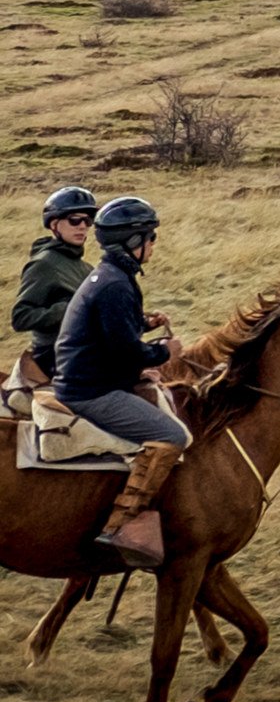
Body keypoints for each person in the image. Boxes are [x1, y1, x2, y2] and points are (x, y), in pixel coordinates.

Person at [51, 196, 185, 572]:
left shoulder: (110, 276)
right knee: (172, 436)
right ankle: (121, 524)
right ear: (133, 241)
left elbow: (112, 331)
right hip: (91, 392)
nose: (154, 244)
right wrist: (163, 352)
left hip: (90, 378)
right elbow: (124, 349)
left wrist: (143, 324)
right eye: (151, 236)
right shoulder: (115, 284)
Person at [14, 186, 97, 392]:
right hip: (55, 355)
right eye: (75, 220)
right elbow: (21, 317)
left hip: (86, 349)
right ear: (54, 224)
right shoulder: (43, 264)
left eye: (87, 221)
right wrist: (67, 310)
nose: (82, 227)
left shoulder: (86, 267)